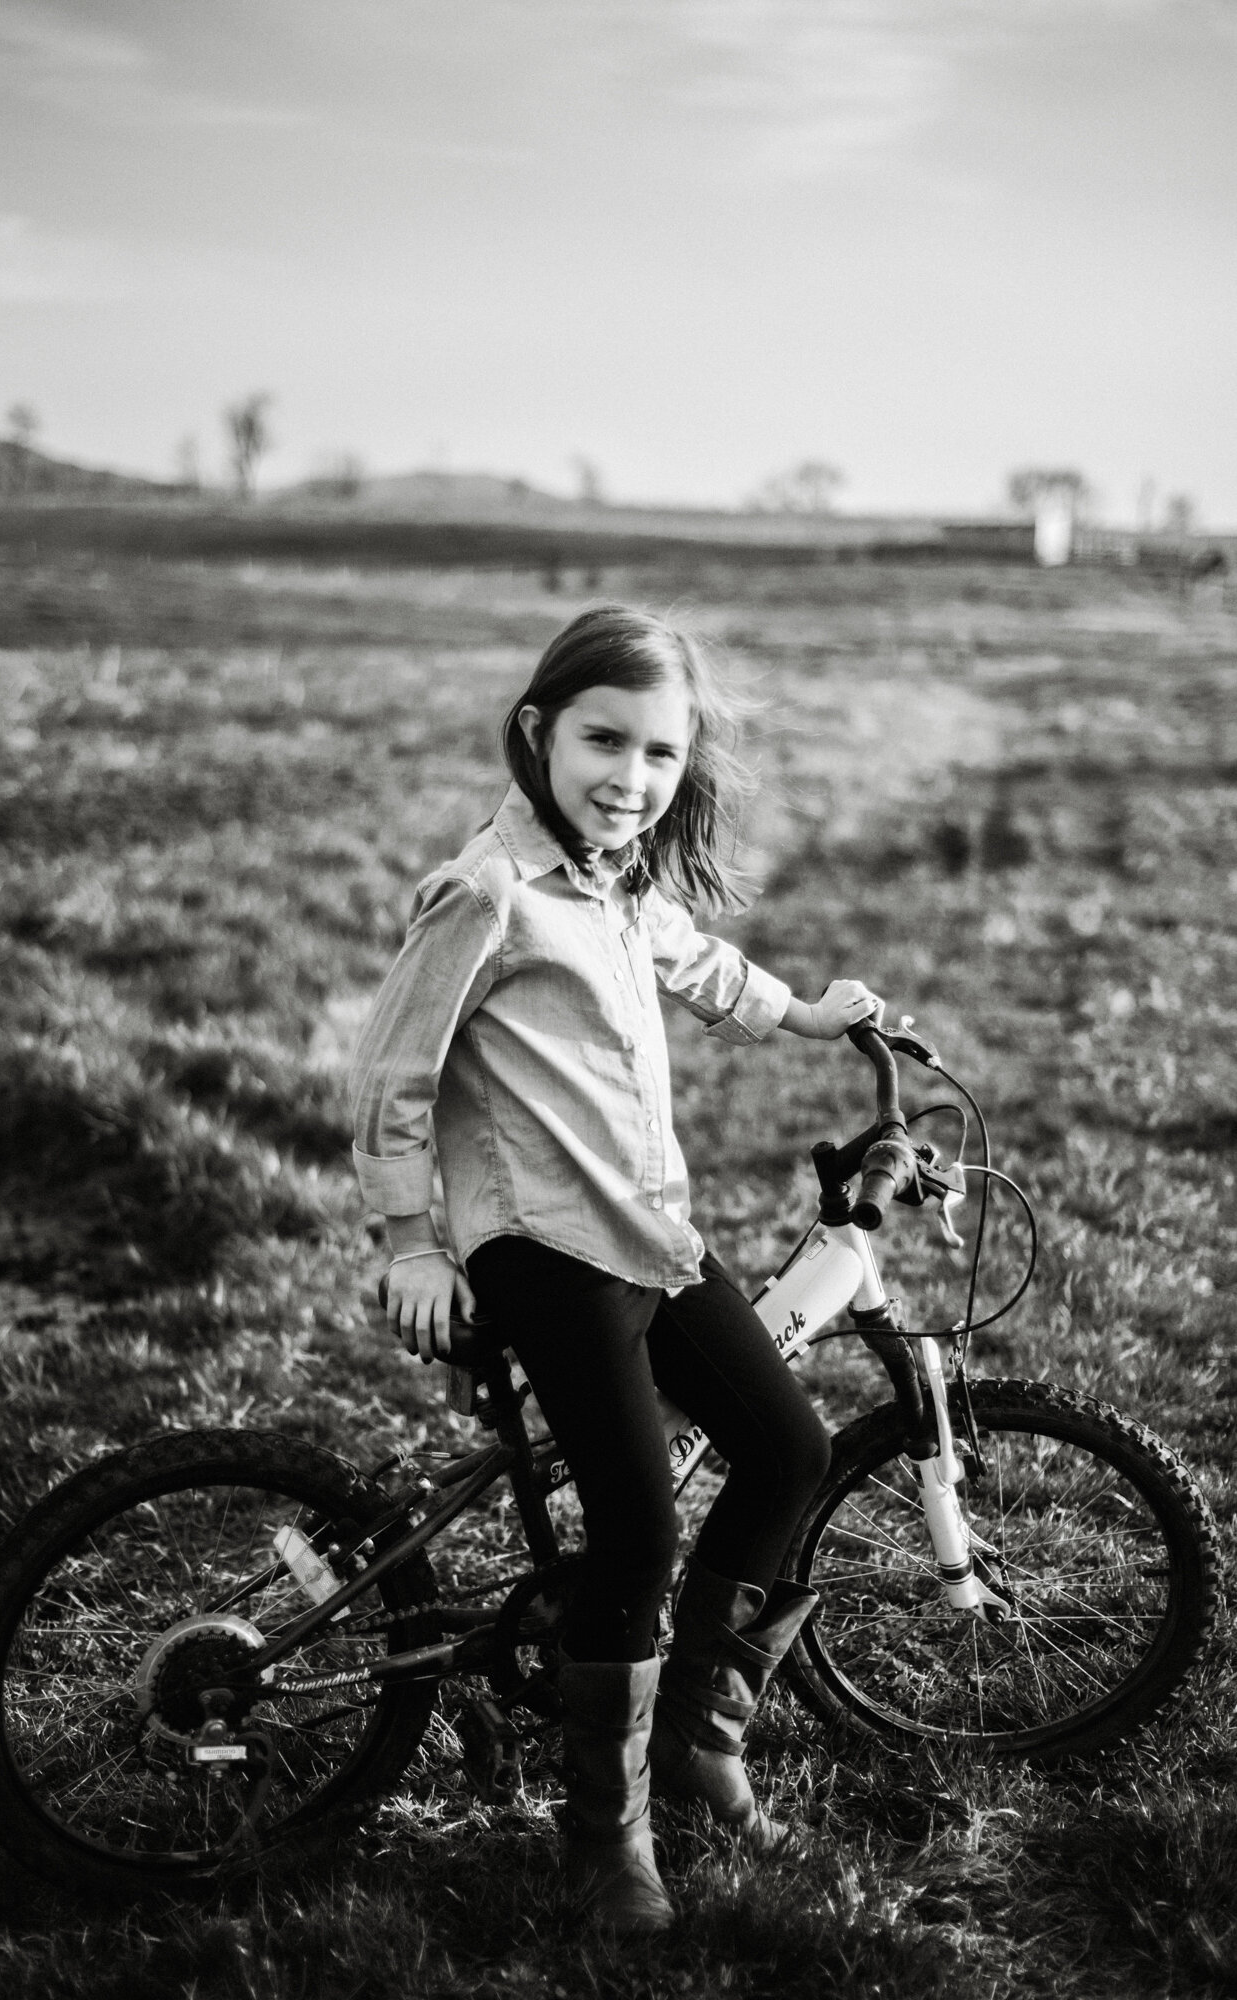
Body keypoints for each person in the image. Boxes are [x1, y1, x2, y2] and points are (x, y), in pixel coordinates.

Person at [350, 604, 881, 1936]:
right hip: (543, 1249)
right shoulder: (490, 891)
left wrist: (802, 1013)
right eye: (605, 740)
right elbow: (393, 1074)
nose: (631, 778)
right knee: (638, 1525)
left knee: (788, 1451)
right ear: (539, 730)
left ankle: (699, 1740)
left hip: (650, 1231)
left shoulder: (622, 874)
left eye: (659, 754)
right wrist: (409, 1239)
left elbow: (693, 959)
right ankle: (604, 1836)